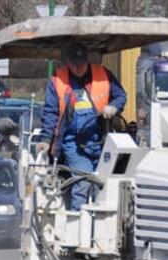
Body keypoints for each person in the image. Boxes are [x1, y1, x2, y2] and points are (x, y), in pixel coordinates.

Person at [40, 42, 127, 210]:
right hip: (73, 142)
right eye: (74, 65)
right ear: (68, 63)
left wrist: (114, 106)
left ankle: (98, 228)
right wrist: (45, 139)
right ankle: (78, 225)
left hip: (100, 140)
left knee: (101, 184)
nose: (78, 68)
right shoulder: (58, 80)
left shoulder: (102, 74)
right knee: (83, 182)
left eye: (81, 64)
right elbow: (51, 112)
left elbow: (120, 95)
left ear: (87, 61)